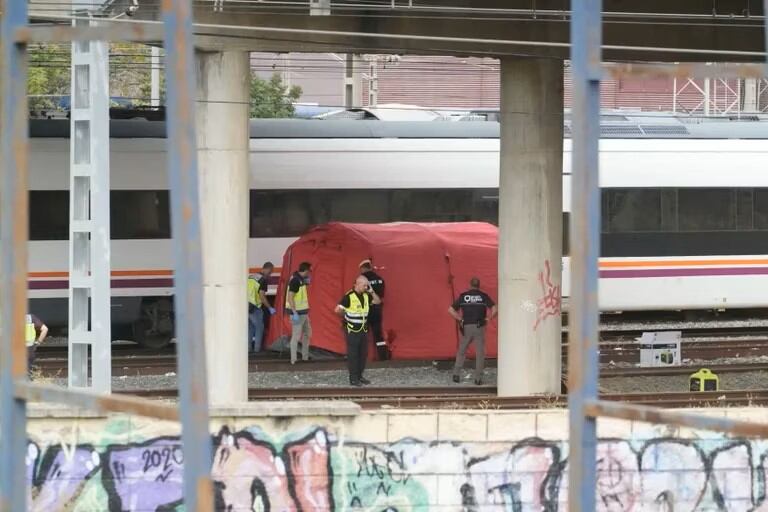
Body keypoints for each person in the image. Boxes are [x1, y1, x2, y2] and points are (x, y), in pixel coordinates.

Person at [448, 277, 497, 385]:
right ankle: (478, 378)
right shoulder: (483, 296)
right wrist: (489, 318)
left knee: (462, 351)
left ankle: (456, 374)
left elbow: (450, 310)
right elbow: (494, 308)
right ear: (479, 286)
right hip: (480, 327)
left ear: (470, 285)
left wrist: (460, 318)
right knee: (480, 353)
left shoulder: (464, 296)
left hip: (467, 327)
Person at [335, 275, 381, 386]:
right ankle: (353, 378)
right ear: (357, 284)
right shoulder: (349, 296)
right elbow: (337, 310)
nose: (366, 287)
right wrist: (346, 316)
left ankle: (360, 376)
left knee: (363, 353)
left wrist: (371, 291)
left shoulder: (366, 296)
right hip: (352, 329)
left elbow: (378, 301)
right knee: (353, 354)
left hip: (363, 329)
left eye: (367, 285)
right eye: (364, 285)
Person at [359, 259, 389, 360]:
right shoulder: (380, 279)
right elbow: (381, 295)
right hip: (377, 309)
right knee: (378, 334)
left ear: (363, 268)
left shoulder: (361, 280)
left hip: (365, 309)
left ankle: (363, 357)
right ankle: (383, 357)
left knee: (363, 333)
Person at [286, 261, 312, 364]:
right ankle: (294, 360)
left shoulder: (300, 279)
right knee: (296, 336)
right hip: (298, 313)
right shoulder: (295, 281)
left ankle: (305, 357)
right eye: (309, 271)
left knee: (307, 333)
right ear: (305, 270)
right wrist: (294, 312)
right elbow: (290, 297)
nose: (309, 273)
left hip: (303, 312)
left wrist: (306, 282)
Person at [26, 313, 48, 378]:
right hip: (29, 350)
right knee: (28, 372)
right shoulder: (30, 318)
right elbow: (45, 329)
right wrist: (38, 342)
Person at [259, 262, 276, 339]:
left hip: (248, 305)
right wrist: (270, 307)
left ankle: (250, 347)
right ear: (267, 269)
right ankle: (258, 348)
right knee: (259, 327)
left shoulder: (253, 276)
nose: (270, 274)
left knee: (251, 327)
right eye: (270, 272)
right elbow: (262, 296)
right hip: (255, 306)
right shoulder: (263, 280)